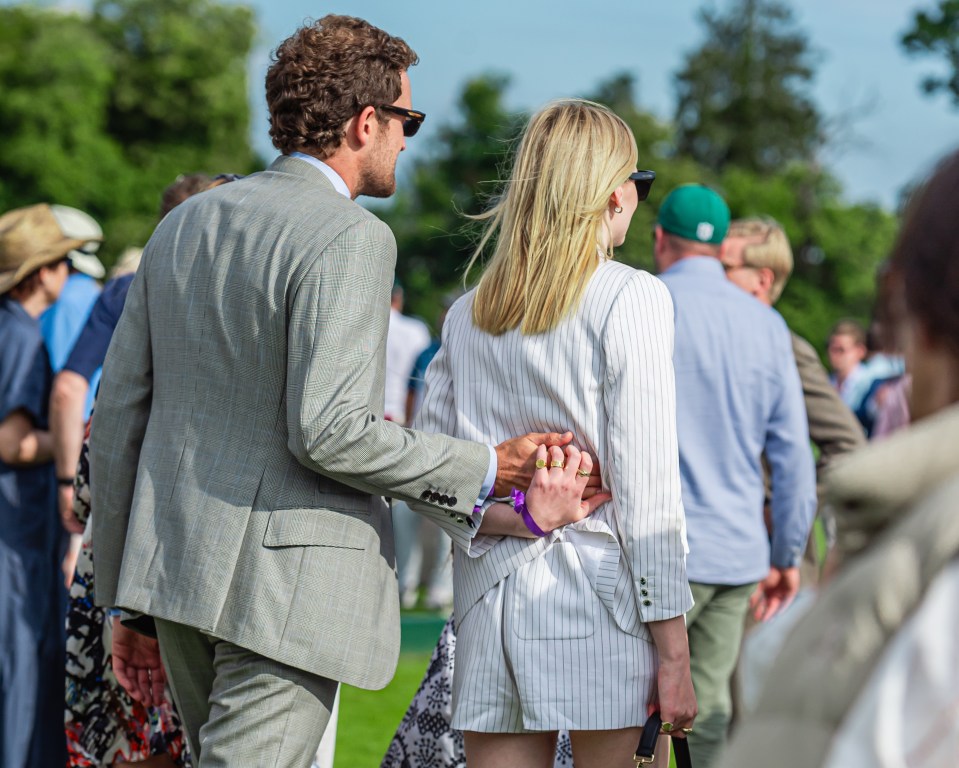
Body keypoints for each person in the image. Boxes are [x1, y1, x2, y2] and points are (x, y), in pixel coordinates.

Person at [88, 16, 592, 767]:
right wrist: (490, 466)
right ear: (365, 122)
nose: (406, 141)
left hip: (175, 574)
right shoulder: (351, 235)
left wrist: (122, 594)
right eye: (407, 121)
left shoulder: (185, 223)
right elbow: (331, 431)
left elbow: (120, 415)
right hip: (282, 591)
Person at [410, 99, 694, 768]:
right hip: (600, 606)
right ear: (611, 194)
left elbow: (425, 476)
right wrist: (675, 655)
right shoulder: (632, 297)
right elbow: (648, 492)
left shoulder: (467, 312)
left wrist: (521, 520)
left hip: (490, 599)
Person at [715, 149, 959, 768]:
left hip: (760, 554)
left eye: (726, 267)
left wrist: (784, 522)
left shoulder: (780, 346)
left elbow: (840, 442)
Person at [63, 173, 241, 768]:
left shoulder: (142, 294)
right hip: (160, 565)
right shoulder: (212, 309)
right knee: (156, 740)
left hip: (131, 561)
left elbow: (98, 429)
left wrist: (77, 491)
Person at [653, 186, 816, 767]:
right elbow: (794, 452)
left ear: (657, 239)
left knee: (639, 716)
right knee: (712, 712)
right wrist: (787, 553)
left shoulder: (644, 302)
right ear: (722, 247)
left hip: (659, 551)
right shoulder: (766, 323)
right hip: (739, 552)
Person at [722, 217, 865, 577]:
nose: (708, 277)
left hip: (771, 568)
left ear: (762, 280)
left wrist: (784, 507)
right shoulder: (719, 340)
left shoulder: (785, 347)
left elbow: (847, 444)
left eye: (724, 268)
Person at [0, 203, 79, 768]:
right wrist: (79, 441)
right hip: (17, 542)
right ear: (39, 272)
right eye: (61, 261)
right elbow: (12, 441)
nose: (68, 272)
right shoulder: (21, 336)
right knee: (21, 695)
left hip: (16, 538)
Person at [385, 279, 430, 424]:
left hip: (366, 412)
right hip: (400, 412)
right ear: (398, 297)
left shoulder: (363, 327)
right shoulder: (415, 329)